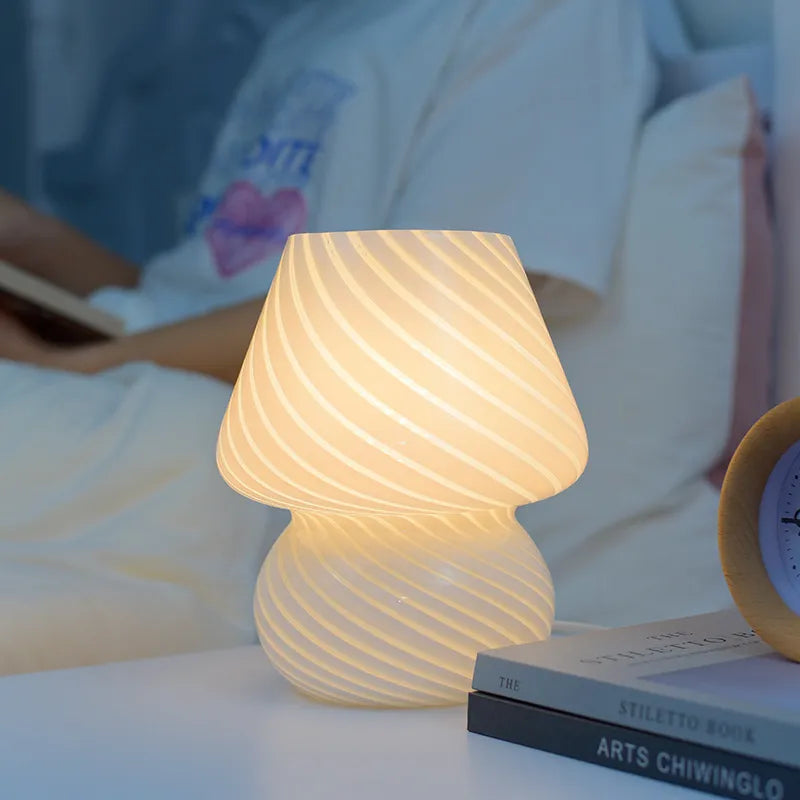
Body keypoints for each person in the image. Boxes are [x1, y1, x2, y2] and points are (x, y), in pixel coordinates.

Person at [0, 0, 655, 674]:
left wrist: (80, 367)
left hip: (232, 428)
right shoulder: (314, 24)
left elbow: (419, 303)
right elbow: (205, 292)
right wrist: (35, 242)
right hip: (142, 380)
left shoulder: (538, 17)